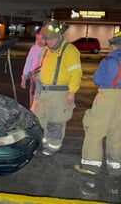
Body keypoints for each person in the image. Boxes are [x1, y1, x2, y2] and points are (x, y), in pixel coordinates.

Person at [74, 30, 121, 176]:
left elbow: (97, 80)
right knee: (116, 134)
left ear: (113, 46)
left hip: (106, 97)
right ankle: (114, 167)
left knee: (95, 131)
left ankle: (91, 167)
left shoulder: (107, 61)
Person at [30, 19, 83, 156]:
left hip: (59, 94)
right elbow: (46, 67)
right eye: (46, 39)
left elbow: (76, 74)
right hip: (44, 92)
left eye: (51, 39)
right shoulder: (47, 50)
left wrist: (72, 93)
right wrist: (37, 75)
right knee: (39, 118)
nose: (49, 42)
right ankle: (42, 142)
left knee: (55, 121)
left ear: (59, 36)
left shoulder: (70, 50)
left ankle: (53, 146)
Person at [20, 27, 46, 107]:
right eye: (37, 38)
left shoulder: (49, 49)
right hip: (34, 77)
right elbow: (29, 62)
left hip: (46, 79)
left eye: (41, 39)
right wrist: (24, 77)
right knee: (33, 97)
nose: (39, 41)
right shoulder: (34, 48)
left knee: (42, 101)